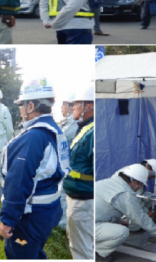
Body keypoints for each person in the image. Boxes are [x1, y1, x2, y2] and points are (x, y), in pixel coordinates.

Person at [0, 77, 71, 259]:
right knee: (34, 251)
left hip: (31, 216)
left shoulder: (34, 137)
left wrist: (7, 220)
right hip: (48, 210)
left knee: (21, 254)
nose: (20, 109)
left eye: (22, 105)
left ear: (30, 106)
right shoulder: (56, 131)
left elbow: (18, 182)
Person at [95, 164, 156, 261]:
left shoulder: (110, 182)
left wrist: (120, 221)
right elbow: (139, 217)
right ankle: (99, 252)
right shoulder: (125, 194)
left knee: (120, 225)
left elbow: (109, 209)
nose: (140, 187)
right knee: (123, 232)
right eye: (141, 184)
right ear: (135, 182)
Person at [63, 83, 95, 259]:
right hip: (77, 199)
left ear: (88, 106)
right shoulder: (83, 127)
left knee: (83, 250)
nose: (72, 107)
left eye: (76, 103)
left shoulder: (92, 132)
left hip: (84, 202)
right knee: (78, 245)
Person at [113, 159, 156, 232]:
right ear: (148, 167)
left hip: (115, 199)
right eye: (151, 175)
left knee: (148, 196)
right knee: (135, 227)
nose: (150, 178)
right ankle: (126, 223)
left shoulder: (131, 168)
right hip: (120, 203)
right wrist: (147, 212)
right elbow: (136, 199)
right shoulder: (138, 176)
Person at [58, 92, 77, 230]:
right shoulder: (67, 123)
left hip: (68, 166)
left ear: (70, 106)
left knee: (64, 196)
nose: (61, 108)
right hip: (63, 165)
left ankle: (64, 226)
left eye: (63, 105)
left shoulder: (73, 125)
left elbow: (61, 138)